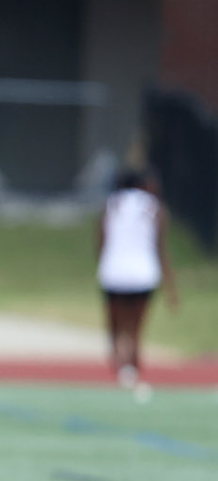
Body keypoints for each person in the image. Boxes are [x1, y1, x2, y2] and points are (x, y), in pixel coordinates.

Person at [97, 167, 176, 399]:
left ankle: (121, 368)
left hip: (113, 272)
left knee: (116, 326)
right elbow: (160, 248)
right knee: (134, 328)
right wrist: (171, 287)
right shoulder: (154, 207)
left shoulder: (111, 205)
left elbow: (101, 240)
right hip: (143, 273)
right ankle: (132, 369)